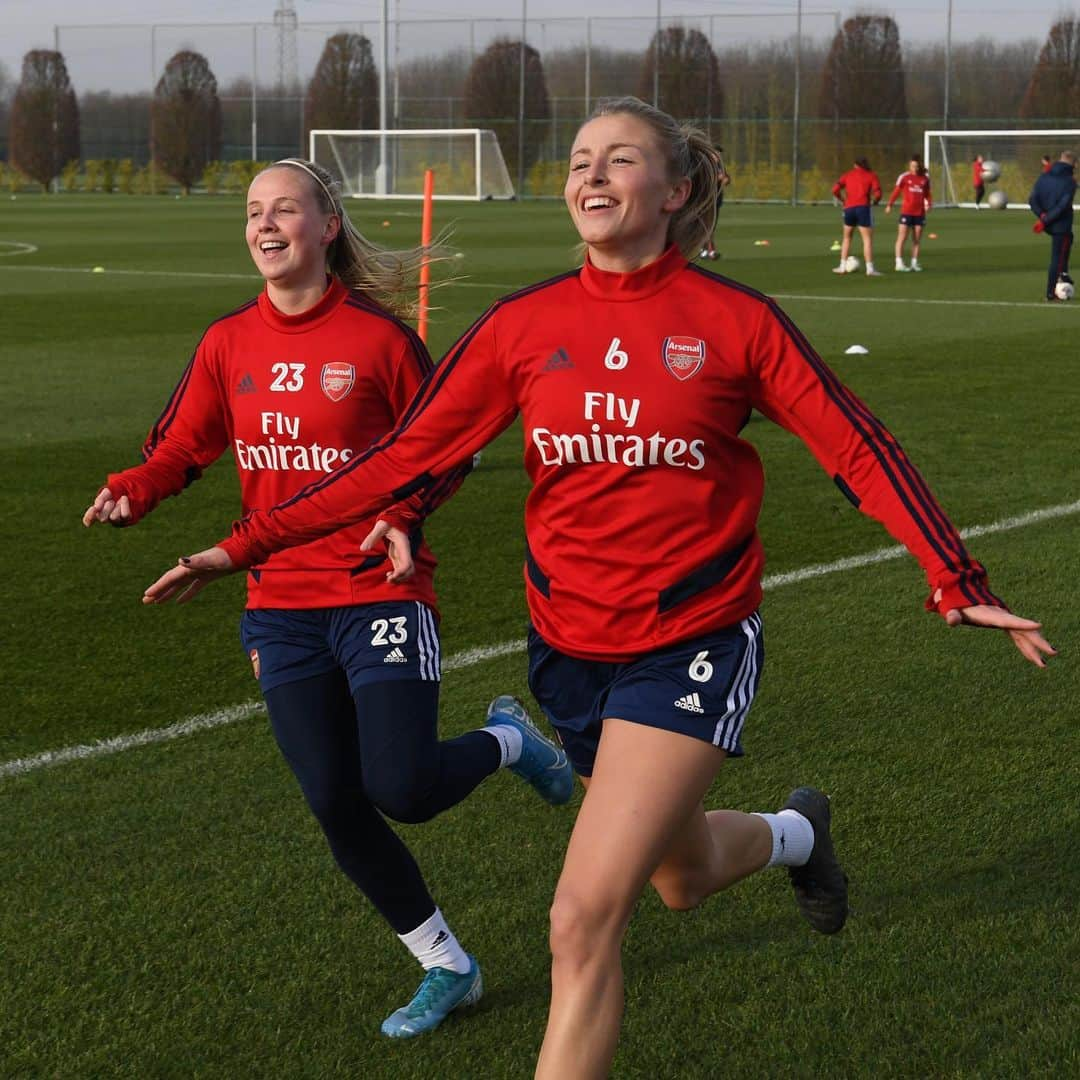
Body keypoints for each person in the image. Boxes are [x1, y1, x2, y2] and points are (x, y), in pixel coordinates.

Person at [144, 100, 1055, 1078]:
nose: (593, 174)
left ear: (674, 190)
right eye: (581, 159)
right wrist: (240, 548)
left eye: (621, 159)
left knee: (581, 920)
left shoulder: (733, 322)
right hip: (570, 651)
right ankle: (797, 835)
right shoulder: (524, 327)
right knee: (681, 875)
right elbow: (401, 460)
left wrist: (952, 577)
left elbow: (859, 447)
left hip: (692, 639)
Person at [83, 157, 573, 1040]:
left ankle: (507, 739)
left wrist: (401, 515)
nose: (265, 224)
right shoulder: (227, 342)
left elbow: (446, 447)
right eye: (253, 211)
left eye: (285, 209)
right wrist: (134, 490)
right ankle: (445, 965)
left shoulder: (381, 343)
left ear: (327, 227)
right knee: (333, 801)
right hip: (280, 607)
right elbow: (180, 447)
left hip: (378, 592)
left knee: (403, 787)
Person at [1029, 150, 1076, 302]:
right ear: (1074, 164)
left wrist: (1042, 216)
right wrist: (1045, 220)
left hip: (1047, 222)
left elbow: (1032, 200)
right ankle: (1051, 293)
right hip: (1059, 223)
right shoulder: (1070, 182)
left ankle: (1063, 274)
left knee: (1069, 239)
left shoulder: (1044, 176)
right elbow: (1062, 206)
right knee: (1058, 257)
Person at [832, 156, 883, 275]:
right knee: (867, 240)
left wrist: (842, 200)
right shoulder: (871, 175)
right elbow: (878, 193)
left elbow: (835, 190)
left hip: (849, 208)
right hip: (863, 208)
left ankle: (842, 266)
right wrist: (875, 202)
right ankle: (870, 269)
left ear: (855, 165)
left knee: (846, 238)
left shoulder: (848, 175)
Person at [885, 155, 932, 272]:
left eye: (916, 166)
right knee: (902, 237)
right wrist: (889, 204)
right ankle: (899, 263)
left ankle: (914, 263)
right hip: (906, 212)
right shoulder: (904, 177)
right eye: (912, 166)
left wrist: (929, 204)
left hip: (920, 213)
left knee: (916, 240)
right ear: (909, 166)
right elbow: (896, 192)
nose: (914, 168)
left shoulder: (924, 179)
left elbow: (928, 194)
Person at [699, 146, 731, 260]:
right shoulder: (706, 166)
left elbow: (727, 178)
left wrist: (726, 179)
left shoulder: (720, 166)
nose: (718, 156)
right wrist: (717, 178)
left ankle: (704, 251)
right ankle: (710, 251)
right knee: (708, 226)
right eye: (716, 154)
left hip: (717, 200)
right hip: (707, 201)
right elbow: (703, 179)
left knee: (710, 227)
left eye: (719, 154)